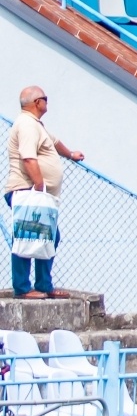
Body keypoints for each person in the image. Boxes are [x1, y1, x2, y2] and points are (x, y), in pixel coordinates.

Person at [5, 86, 82, 299]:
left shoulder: (35, 125)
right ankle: (23, 288)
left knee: (48, 236)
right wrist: (39, 186)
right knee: (27, 234)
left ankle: (43, 285)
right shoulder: (27, 125)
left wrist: (71, 154)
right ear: (37, 102)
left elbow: (54, 142)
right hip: (27, 190)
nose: (47, 102)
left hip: (36, 192)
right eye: (45, 99)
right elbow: (28, 157)